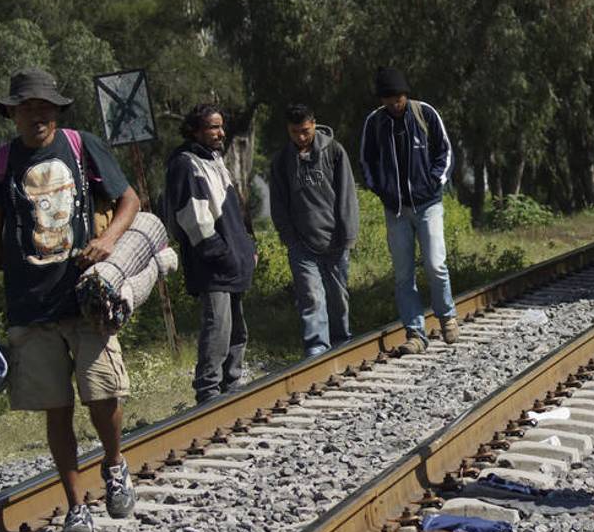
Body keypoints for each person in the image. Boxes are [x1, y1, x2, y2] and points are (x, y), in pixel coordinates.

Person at [0, 67, 141, 532]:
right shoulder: (1, 164)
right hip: (31, 306)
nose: (37, 115)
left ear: (56, 111)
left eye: (45, 106)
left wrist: (108, 239)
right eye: (27, 107)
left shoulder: (81, 145)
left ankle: (114, 465)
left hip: (86, 297)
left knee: (102, 393)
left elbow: (129, 199)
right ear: (12, 114)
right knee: (56, 408)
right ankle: (76, 507)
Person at [359, 67, 459, 354]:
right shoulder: (375, 123)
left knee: (435, 264)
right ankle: (415, 333)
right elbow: (367, 161)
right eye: (388, 100)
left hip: (429, 205)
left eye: (398, 99)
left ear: (406, 95)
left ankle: (447, 317)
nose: (394, 105)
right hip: (396, 210)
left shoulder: (424, 114)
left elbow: (445, 152)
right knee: (403, 274)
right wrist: (382, 190)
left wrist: (433, 182)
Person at [164, 104, 257, 403]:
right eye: (212, 127)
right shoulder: (186, 164)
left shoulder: (214, 159)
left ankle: (231, 388)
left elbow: (235, 210)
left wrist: (247, 247)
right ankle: (208, 393)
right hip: (212, 265)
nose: (220, 133)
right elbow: (194, 219)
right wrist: (222, 253)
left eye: (221, 126)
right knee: (218, 328)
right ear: (195, 130)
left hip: (232, 262)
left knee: (237, 329)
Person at [270, 104, 360, 357]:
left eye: (306, 131)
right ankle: (317, 349)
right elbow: (278, 204)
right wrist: (289, 239)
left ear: (314, 124)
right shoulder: (281, 162)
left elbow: (347, 196)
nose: (301, 137)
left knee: (338, 298)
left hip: (336, 240)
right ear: (288, 130)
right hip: (301, 245)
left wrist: (348, 235)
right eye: (295, 132)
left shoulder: (334, 151)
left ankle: (342, 342)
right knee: (311, 297)